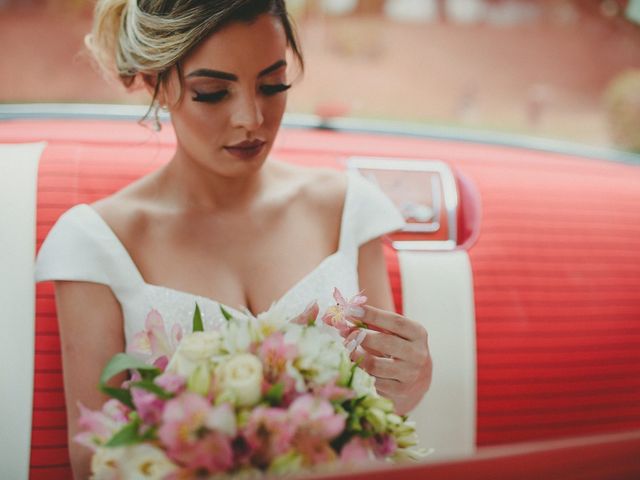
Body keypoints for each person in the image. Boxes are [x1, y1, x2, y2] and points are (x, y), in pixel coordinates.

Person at [35, 0, 432, 477]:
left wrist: (408, 386)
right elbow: (94, 460)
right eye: (211, 92)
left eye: (272, 85)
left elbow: (379, 417)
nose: (251, 118)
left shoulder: (346, 209)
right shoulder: (98, 243)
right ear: (153, 82)